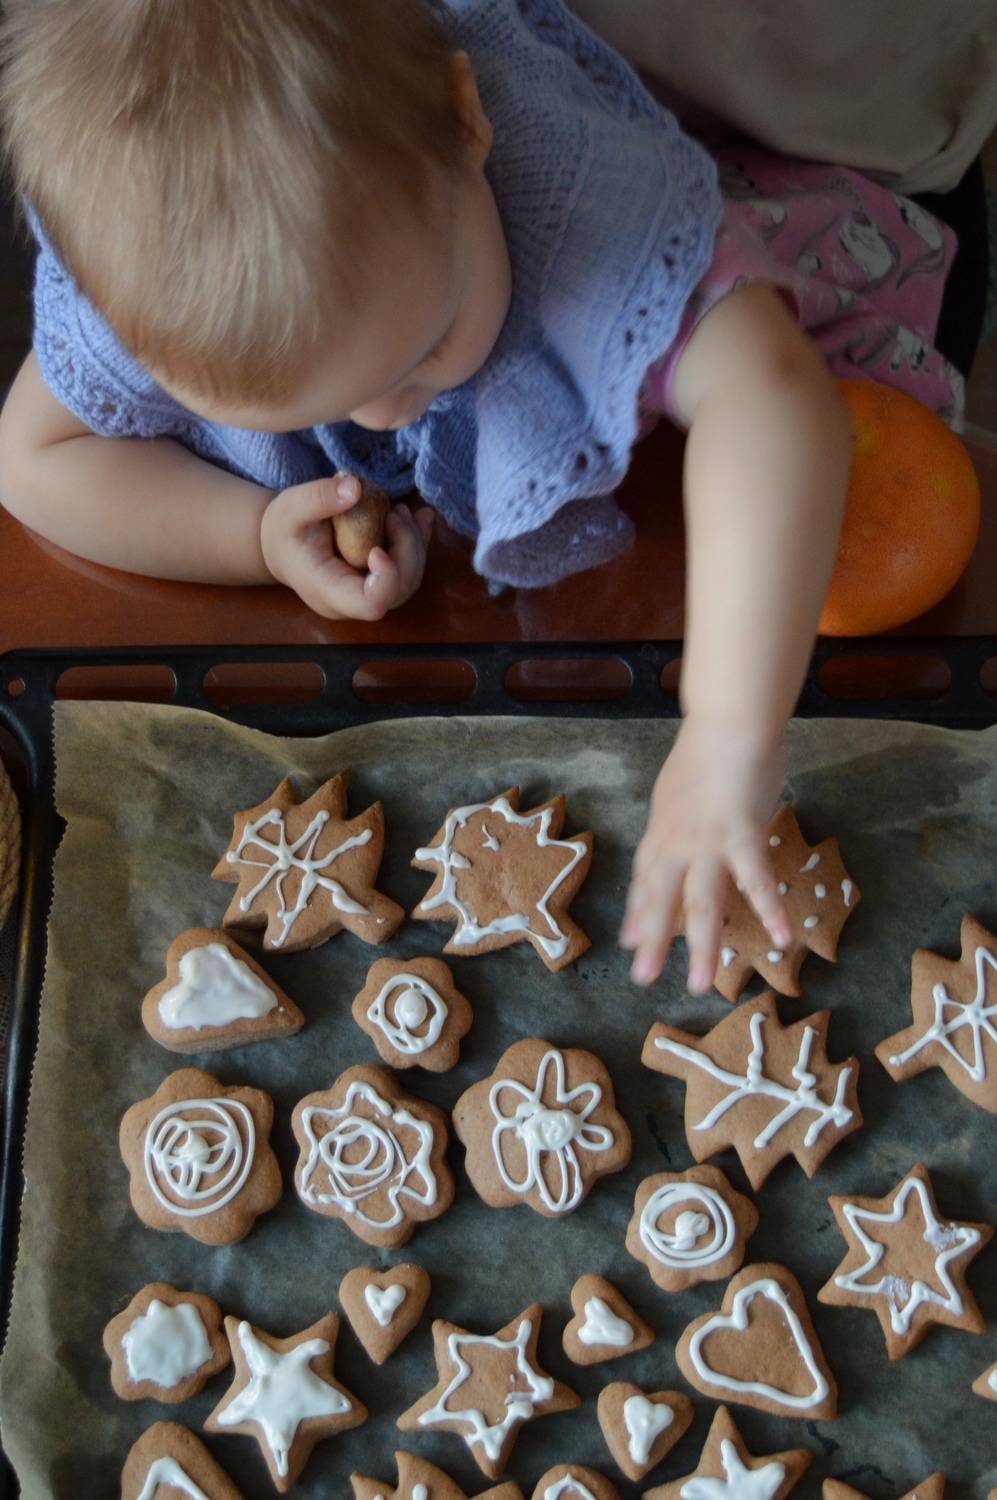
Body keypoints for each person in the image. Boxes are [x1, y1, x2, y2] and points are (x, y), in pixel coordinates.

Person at [0, 0, 966, 993]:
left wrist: (727, 731)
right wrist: (249, 535)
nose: (383, 418)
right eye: (318, 406)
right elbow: (32, 458)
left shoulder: (579, 217)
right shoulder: (149, 277)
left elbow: (770, 398)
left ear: (465, 120)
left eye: (425, 349)